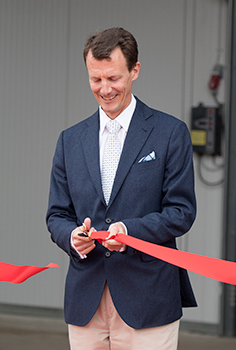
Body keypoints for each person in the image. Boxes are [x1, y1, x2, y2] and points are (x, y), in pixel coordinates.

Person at [46, 27, 197, 349]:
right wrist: (71, 238)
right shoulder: (69, 140)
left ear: (135, 70)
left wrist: (129, 231)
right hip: (86, 296)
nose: (104, 89)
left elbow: (181, 212)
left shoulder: (170, 132)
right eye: (95, 79)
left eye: (113, 78)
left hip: (148, 296)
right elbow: (57, 214)